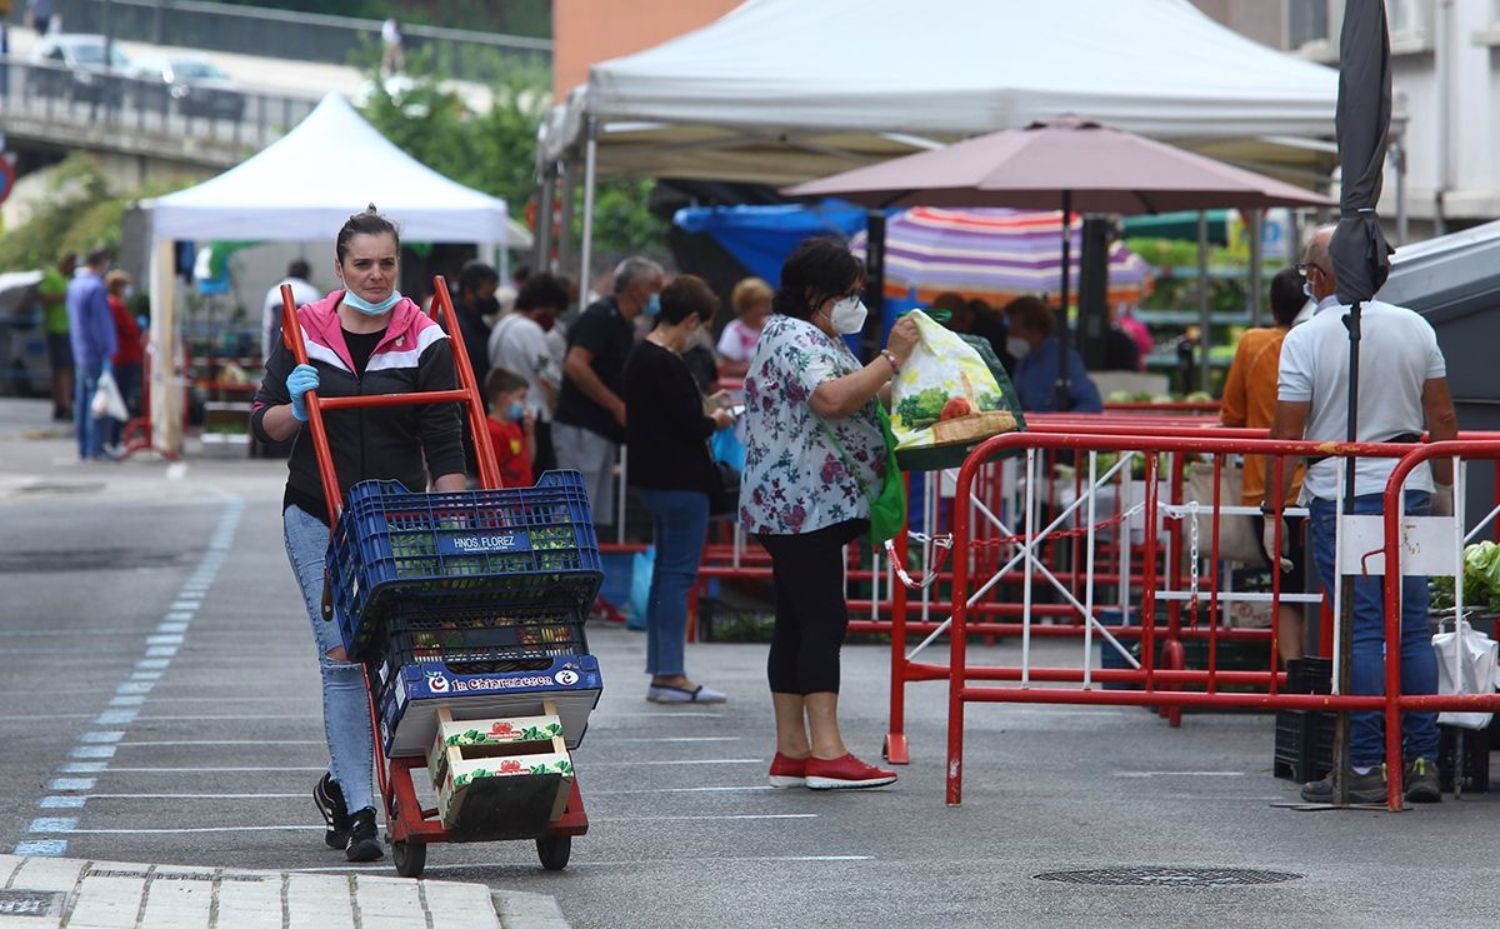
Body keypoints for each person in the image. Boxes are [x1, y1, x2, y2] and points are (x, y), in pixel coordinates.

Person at [250, 206, 466, 862]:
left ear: (400, 265)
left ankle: (347, 785)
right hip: (316, 510)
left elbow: (446, 449)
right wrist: (295, 401)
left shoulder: (424, 337)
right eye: (363, 264)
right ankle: (364, 812)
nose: (376, 275)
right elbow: (264, 425)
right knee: (343, 657)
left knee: (395, 655)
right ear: (340, 268)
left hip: (393, 517)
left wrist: (450, 533)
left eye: (387, 263)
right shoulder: (304, 328)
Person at [1269, 225, 1458, 805]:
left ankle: (1367, 762)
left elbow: (1288, 432)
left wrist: (1276, 507)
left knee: (1364, 628)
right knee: (1413, 627)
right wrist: (1444, 485)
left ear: (1322, 277)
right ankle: (1423, 757)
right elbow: (1443, 419)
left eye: (1307, 272)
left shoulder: (1305, 338)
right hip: (1411, 485)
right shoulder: (1416, 328)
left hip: (1343, 492)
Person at [740, 237, 919, 790]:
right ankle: (828, 752)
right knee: (824, 620)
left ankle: (793, 751)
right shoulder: (794, 335)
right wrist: (890, 357)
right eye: (848, 292)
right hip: (801, 506)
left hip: (799, 505)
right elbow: (833, 399)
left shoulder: (814, 334)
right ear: (816, 291)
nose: (854, 302)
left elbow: (859, 394)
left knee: (796, 621)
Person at [622, 275, 736, 705]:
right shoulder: (667, 362)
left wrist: (703, 410)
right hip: (682, 481)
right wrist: (718, 418)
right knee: (677, 576)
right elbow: (691, 426)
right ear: (690, 319)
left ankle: (664, 671)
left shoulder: (641, 355)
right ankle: (670, 673)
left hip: (653, 478)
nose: (702, 333)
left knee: (665, 577)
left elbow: (665, 418)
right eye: (702, 324)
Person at [1220, 267, 1307, 663]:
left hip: (1266, 487)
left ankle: (1294, 682)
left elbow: (1231, 417)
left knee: (1286, 590)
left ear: (1273, 308)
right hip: (1322, 483)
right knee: (1328, 586)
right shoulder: (1322, 339)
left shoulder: (1253, 344)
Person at [553, 257, 663, 522]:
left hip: (600, 430)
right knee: (576, 512)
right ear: (636, 289)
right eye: (655, 288)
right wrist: (616, 406)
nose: (659, 297)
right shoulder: (601, 316)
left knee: (592, 515)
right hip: (581, 426)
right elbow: (576, 365)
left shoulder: (624, 324)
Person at [489, 273, 567, 473]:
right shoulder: (529, 329)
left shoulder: (502, 325)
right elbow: (549, 373)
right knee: (536, 475)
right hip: (531, 413)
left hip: (505, 409)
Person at [1003, 295, 1101, 412]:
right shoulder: (1024, 360)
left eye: (1014, 329)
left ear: (1034, 329)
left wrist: (1062, 424)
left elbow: (1091, 403)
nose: (1010, 335)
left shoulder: (1064, 359)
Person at [65, 248, 116, 461]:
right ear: (101, 262)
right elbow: (100, 324)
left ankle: (84, 446)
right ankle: (96, 447)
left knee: (84, 401)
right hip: (95, 352)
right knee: (98, 402)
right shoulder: (95, 287)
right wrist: (108, 350)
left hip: (80, 350)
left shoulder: (74, 285)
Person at [102, 270, 143, 453]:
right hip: (123, 357)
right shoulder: (115, 305)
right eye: (125, 286)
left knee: (121, 398)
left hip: (124, 356)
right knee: (119, 400)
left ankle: (113, 438)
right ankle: (113, 439)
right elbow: (130, 329)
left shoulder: (116, 305)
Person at [449, 260, 499, 395]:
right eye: (488, 294)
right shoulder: (453, 325)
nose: (492, 300)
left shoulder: (476, 323)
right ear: (468, 292)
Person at [38, 253, 76, 422]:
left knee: (62, 370)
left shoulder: (68, 279)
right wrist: (65, 296)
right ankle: (64, 405)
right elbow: (43, 297)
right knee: (63, 370)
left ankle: (61, 405)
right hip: (58, 328)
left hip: (67, 329)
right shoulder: (52, 276)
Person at [484, 367, 535, 488]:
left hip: (522, 501)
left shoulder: (513, 427)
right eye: (522, 397)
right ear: (505, 398)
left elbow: (528, 461)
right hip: (506, 503)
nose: (525, 403)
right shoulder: (492, 431)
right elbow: (488, 475)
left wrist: (530, 434)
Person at [262, 260, 321, 362]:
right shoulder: (312, 293)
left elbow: (267, 327)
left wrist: (266, 356)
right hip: (303, 351)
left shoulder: (274, 292)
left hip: (277, 347)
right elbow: (317, 327)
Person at [716, 277, 772, 378]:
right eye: (757, 306)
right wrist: (757, 368)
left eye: (764, 305)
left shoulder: (774, 325)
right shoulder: (733, 330)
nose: (762, 310)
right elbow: (727, 368)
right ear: (744, 307)